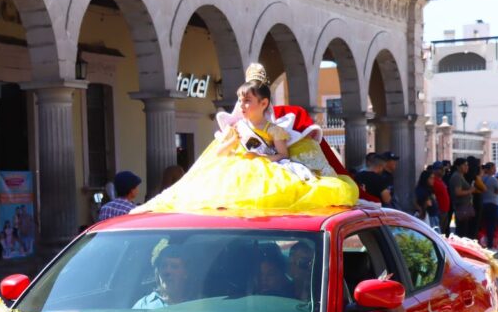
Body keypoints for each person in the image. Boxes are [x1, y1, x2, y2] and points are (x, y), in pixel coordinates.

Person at [138, 64, 358, 217]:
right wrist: (230, 143)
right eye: (241, 101)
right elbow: (220, 154)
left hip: (267, 170)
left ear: (263, 103)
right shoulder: (236, 128)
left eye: (248, 101)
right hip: (237, 172)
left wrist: (264, 159)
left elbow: (283, 154)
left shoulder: (275, 130)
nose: (242, 106)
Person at [447, 158, 475, 237]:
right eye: (464, 165)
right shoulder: (457, 177)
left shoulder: (460, 176)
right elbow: (458, 192)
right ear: (458, 166)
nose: (467, 167)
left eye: (467, 165)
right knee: (462, 231)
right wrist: (470, 191)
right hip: (461, 208)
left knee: (464, 230)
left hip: (465, 207)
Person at [479, 162, 498, 249]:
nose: (495, 170)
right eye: (493, 168)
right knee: (492, 225)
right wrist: (496, 191)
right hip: (492, 204)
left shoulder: (481, 179)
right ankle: (491, 245)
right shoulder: (493, 179)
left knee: (485, 225)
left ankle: (485, 243)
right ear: (488, 169)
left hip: (483, 203)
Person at [430, 161, 450, 232]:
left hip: (444, 211)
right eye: (440, 169)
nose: (442, 170)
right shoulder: (433, 181)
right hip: (439, 212)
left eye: (442, 168)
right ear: (434, 170)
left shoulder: (440, 181)